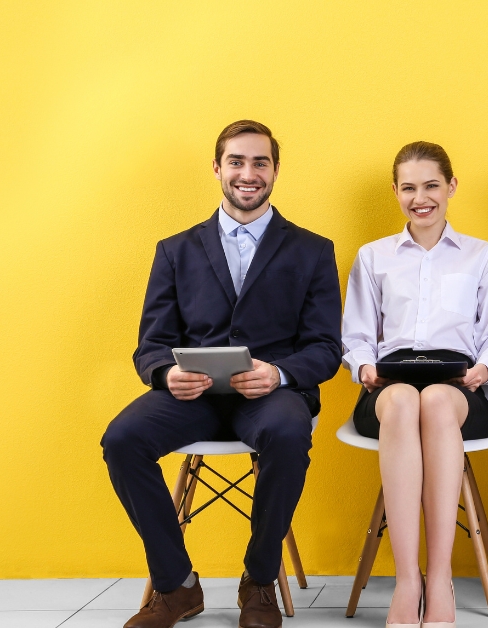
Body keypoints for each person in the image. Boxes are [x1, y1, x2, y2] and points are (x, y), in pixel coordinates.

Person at [101, 120, 342, 628]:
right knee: (121, 439)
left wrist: (278, 373)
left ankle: (259, 578)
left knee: (286, 431)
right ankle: (176, 585)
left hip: (270, 397)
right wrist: (165, 374)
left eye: (260, 162)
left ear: (275, 170)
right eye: (236, 161)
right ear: (217, 168)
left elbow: (326, 347)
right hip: (193, 399)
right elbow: (151, 344)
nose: (248, 173)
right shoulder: (175, 249)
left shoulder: (313, 249)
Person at [341, 141, 488, 628]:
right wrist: (364, 367)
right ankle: (407, 581)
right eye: (409, 188)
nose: (421, 198)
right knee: (402, 401)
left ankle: (439, 577)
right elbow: (355, 336)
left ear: (451, 186)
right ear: (396, 192)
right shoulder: (373, 257)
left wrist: (483, 369)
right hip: (389, 385)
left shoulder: (482, 256)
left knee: (438, 400)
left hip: (459, 385)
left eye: (431, 185)